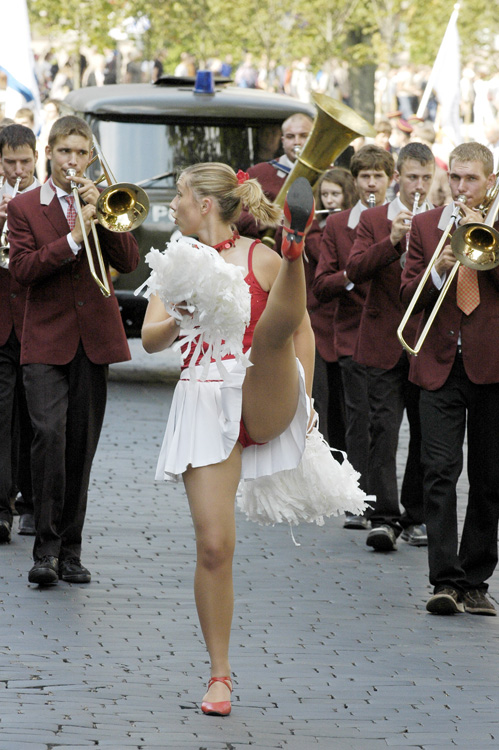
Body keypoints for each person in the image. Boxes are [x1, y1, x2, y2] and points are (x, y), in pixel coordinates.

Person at [141, 163, 316, 716]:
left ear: (206, 204)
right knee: (215, 546)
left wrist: (308, 402)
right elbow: (148, 339)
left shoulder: (257, 256)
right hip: (203, 396)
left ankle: (296, 252)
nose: (173, 205)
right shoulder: (175, 262)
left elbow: (303, 330)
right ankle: (220, 675)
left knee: (270, 335)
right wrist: (178, 318)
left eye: (180, 195)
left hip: (264, 387)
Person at [7, 115, 139, 586]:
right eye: (65, 152)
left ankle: (70, 552)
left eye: (82, 153)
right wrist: (73, 239)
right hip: (45, 339)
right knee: (49, 437)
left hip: (93, 340)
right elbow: (23, 269)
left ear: (91, 157)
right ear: (49, 154)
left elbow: (128, 261)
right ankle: (44, 549)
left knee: (81, 448)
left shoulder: (100, 201)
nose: (73, 161)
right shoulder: (25, 206)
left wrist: (101, 215)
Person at [400, 142, 499, 616]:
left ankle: (475, 580)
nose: (461, 187)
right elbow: (407, 292)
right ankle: (445, 580)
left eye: (471, 179)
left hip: (491, 366)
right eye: (455, 177)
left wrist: (487, 244)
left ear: (490, 183)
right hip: (438, 365)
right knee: (438, 471)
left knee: (489, 477)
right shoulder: (424, 226)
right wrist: (437, 271)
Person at [346, 142, 435, 551]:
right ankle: (383, 516)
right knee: (382, 430)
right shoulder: (373, 218)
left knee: (424, 433)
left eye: (426, 178)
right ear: (398, 177)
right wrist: (393, 240)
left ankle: (415, 515)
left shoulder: (442, 219)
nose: (419, 186)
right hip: (382, 341)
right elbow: (355, 269)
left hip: (424, 343)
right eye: (413, 177)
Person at [313, 145, 394, 529]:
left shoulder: (405, 220)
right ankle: (360, 500)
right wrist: (350, 276)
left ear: (390, 179)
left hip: (394, 335)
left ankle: (396, 508)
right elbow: (322, 284)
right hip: (353, 334)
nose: (372, 183)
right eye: (365, 176)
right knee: (358, 422)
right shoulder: (337, 224)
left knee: (386, 425)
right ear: (355, 181)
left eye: (379, 175)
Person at [0, 124, 39, 541]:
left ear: (36, 158)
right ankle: (2, 507)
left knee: (35, 419)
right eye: (9, 162)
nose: (17, 170)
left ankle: (31, 502)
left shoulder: (47, 200)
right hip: (1, 323)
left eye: (25, 161)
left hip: (35, 321)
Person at [305, 167, 358, 447]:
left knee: (343, 403)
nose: (329, 200)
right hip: (317, 324)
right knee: (319, 399)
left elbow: (324, 255)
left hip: (343, 322)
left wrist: (310, 228)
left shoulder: (351, 226)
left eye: (335, 194)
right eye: (324, 194)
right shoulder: (320, 225)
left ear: (347, 195)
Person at [236, 112, 314, 241]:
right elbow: (235, 213)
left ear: (313, 139)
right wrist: (264, 221)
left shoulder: (328, 174)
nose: (297, 142)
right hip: (269, 248)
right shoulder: (258, 172)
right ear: (283, 141)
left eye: (304, 136)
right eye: (290, 137)